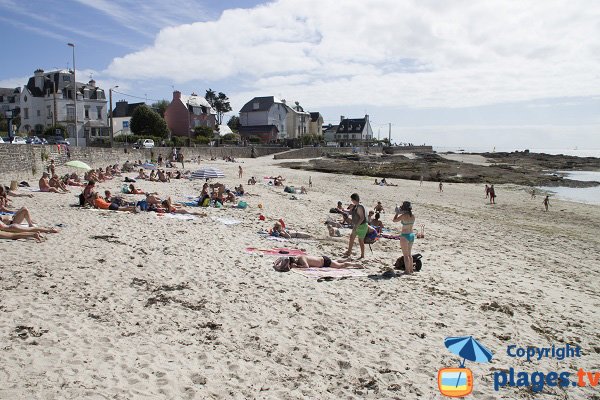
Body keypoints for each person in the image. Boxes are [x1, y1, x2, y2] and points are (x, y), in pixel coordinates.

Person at [393, 201, 416, 274]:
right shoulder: (413, 215)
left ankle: (407, 271)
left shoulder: (403, 216)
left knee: (405, 255)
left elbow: (394, 220)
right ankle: (411, 269)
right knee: (409, 254)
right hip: (411, 234)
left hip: (405, 235)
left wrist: (397, 213)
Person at [344, 193, 367, 259]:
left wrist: (356, 226)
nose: (351, 201)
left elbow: (362, 218)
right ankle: (349, 252)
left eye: (352, 199)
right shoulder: (356, 206)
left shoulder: (359, 207)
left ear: (354, 199)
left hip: (361, 226)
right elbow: (350, 211)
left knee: (360, 241)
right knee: (352, 238)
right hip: (358, 225)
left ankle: (362, 255)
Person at [289, 255, 363, 269]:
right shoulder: (299, 256)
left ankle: (355, 265)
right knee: (335, 262)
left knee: (340, 266)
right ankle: (345, 260)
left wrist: (297, 266)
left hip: (324, 262)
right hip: (323, 259)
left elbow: (306, 266)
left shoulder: (301, 259)